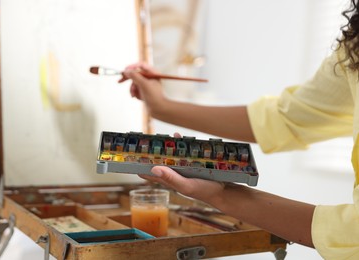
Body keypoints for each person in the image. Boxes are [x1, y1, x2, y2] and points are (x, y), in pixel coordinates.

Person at [120, 0, 359, 258]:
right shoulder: (354, 44)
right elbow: (286, 119)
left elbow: (351, 232)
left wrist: (224, 197)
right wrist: (162, 107)